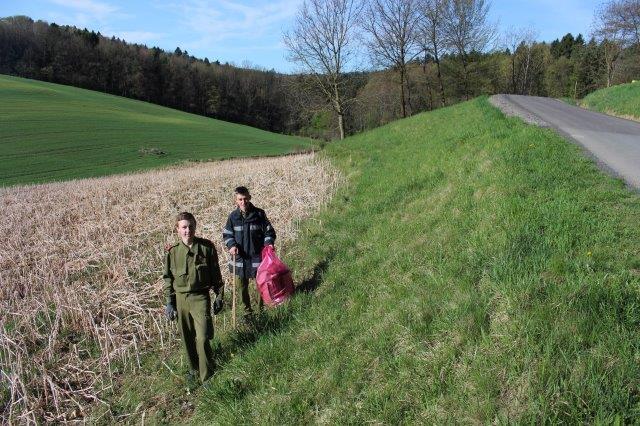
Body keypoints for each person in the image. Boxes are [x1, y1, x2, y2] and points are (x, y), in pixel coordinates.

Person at [163, 212, 224, 386]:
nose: (187, 230)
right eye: (184, 227)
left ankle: (207, 376)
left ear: (195, 227)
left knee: (203, 337)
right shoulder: (172, 252)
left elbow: (216, 276)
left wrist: (219, 296)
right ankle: (193, 368)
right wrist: (169, 302)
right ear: (177, 229)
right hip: (181, 300)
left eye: (190, 226)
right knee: (187, 338)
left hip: (200, 298)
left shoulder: (207, 248)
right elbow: (168, 279)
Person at [222, 186, 276, 319]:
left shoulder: (259, 214)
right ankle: (247, 313)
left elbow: (269, 231)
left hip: (257, 257)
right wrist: (231, 245)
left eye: (245, 198)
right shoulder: (232, 217)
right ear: (236, 200)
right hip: (240, 259)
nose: (243, 202)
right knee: (241, 288)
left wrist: (268, 243)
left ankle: (261, 311)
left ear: (249, 197)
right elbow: (227, 234)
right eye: (240, 199)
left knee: (261, 285)